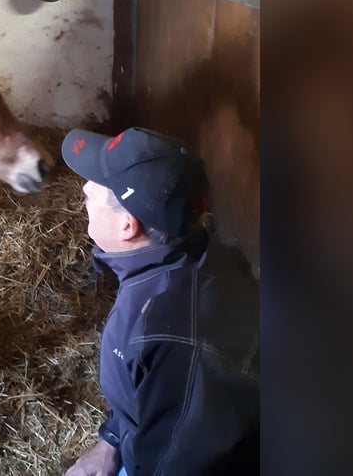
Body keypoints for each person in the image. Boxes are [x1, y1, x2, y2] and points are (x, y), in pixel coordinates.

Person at [60, 126, 260, 476]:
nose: (85, 187)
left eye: (97, 186)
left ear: (127, 226)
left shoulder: (173, 336)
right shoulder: (189, 257)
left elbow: (175, 462)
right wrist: (111, 443)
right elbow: (145, 391)